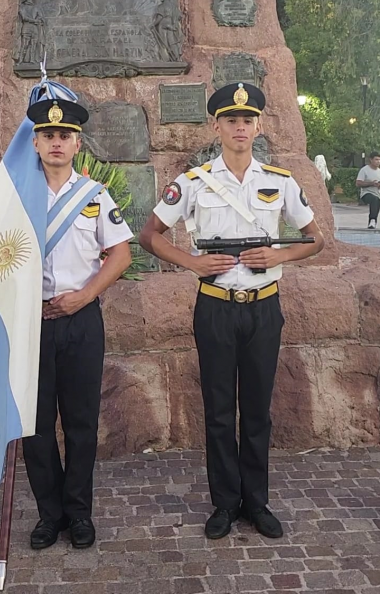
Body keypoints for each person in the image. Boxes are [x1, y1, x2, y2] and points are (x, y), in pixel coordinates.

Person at [139, 83, 325, 540]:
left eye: (247, 120)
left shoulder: (279, 181)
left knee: (258, 410)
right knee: (220, 411)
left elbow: (316, 238)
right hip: (216, 306)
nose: (240, 127)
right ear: (217, 126)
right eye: (231, 120)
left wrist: (277, 257)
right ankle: (224, 503)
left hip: (263, 307)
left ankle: (256, 502)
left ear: (258, 126)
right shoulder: (193, 181)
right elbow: (151, 234)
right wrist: (193, 263)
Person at [22, 94, 133, 551]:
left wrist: (86, 295)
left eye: (64, 136)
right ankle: (50, 514)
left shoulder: (94, 196)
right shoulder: (14, 196)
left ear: (77, 143)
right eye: (48, 135)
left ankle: (79, 512)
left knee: (83, 422)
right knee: (36, 424)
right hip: (31, 323)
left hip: (82, 321)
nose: (56, 143)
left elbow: (121, 255)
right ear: (35, 142)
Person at [356, 151, 380, 229]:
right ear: (371, 160)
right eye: (376, 159)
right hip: (366, 193)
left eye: (379, 160)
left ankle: (372, 223)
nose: (378, 162)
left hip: (378, 194)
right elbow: (358, 183)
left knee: (377, 203)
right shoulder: (364, 170)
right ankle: (372, 220)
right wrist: (371, 183)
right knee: (374, 199)